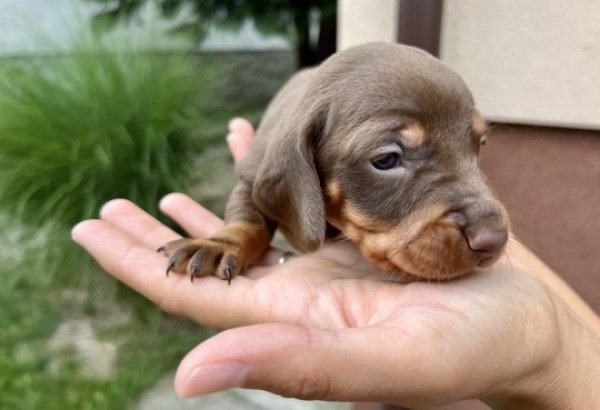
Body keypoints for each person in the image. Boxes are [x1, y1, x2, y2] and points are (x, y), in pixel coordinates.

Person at [72, 118, 600, 409]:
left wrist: (548, 352)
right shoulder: (287, 158)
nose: (493, 231)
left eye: (475, 147)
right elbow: (257, 189)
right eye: (389, 159)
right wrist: (243, 233)